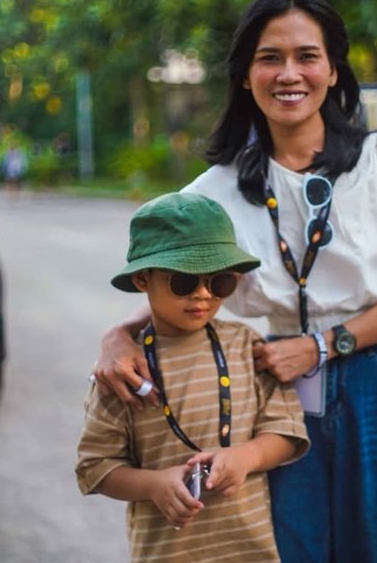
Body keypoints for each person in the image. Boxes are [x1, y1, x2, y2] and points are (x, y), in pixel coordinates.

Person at [93, 0, 377, 563]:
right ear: (244, 76)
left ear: (333, 70)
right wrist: (119, 334)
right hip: (272, 392)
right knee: (288, 549)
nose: (290, 73)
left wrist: (322, 346)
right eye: (270, 58)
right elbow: (177, 284)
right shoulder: (213, 193)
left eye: (307, 56)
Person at [76, 192, 309, 563]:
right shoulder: (125, 372)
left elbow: (288, 431)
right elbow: (94, 467)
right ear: (142, 279)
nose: (202, 294)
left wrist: (246, 456)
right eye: (183, 281)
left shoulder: (246, 348)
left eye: (220, 282)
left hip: (252, 552)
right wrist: (152, 485)